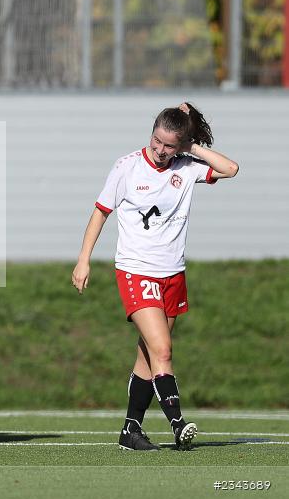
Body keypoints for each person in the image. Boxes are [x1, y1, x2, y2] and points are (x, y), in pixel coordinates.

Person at [72, 103, 239, 451]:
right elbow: (100, 213)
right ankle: (178, 424)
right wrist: (83, 260)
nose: (160, 151)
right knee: (162, 348)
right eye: (156, 141)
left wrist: (191, 146)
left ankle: (130, 430)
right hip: (136, 269)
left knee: (149, 357)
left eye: (169, 145)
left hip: (173, 273)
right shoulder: (127, 167)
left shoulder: (187, 166)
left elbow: (231, 169)